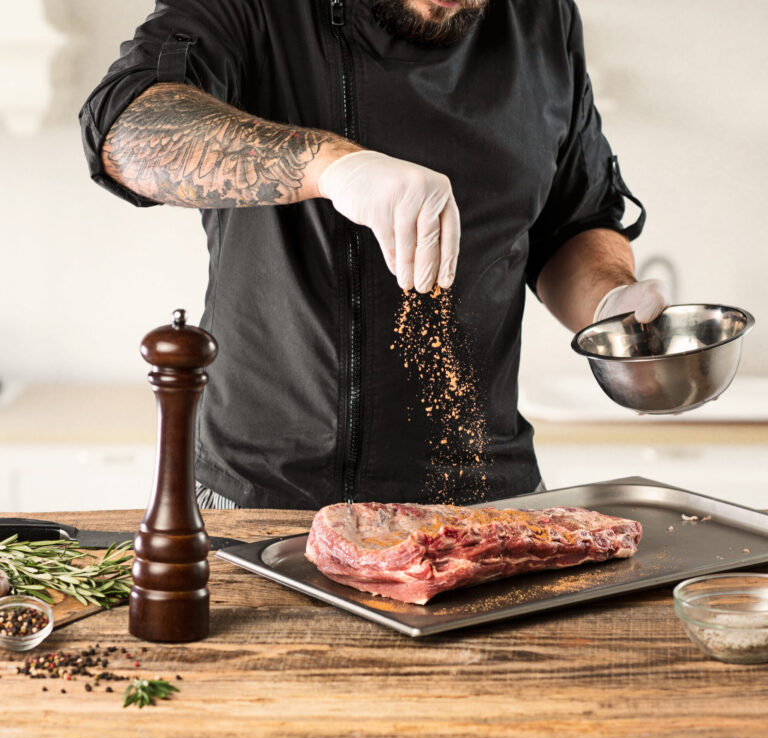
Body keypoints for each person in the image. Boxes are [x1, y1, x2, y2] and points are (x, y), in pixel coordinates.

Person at [80, 0, 669, 510]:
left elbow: (572, 222)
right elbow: (127, 130)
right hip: (266, 498)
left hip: (489, 497)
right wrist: (331, 167)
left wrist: (609, 302)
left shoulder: (543, 18)